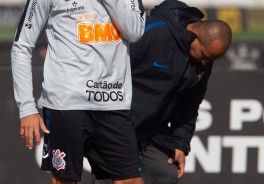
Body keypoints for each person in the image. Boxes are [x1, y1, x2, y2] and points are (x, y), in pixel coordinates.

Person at [92, 0, 232, 184]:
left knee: (165, 174)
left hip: (152, 132)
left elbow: (190, 104)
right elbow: (106, 72)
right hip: (116, 125)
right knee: (112, 179)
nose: (205, 63)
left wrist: (181, 144)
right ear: (195, 36)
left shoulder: (203, 59)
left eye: (211, 59)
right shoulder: (152, 31)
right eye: (205, 56)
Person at [11, 0, 145, 184]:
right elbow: (21, 46)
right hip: (66, 103)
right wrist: (26, 107)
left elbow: (135, 32)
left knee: (131, 180)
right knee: (64, 181)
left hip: (113, 102)